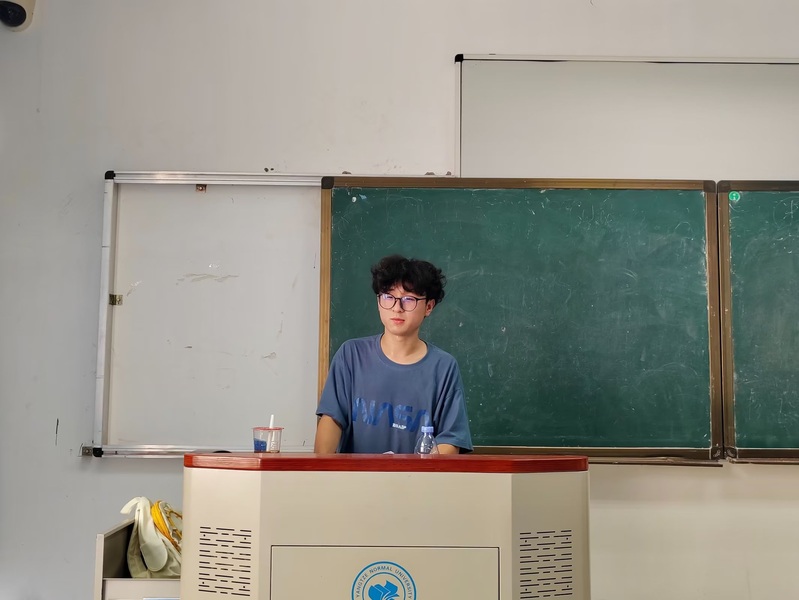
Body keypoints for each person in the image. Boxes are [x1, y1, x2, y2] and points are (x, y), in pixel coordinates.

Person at [314, 254, 473, 454]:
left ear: (429, 306)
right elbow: (331, 420)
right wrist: (322, 466)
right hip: (356, 474)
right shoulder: (351, 355)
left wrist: (413, 470)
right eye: (388, 297)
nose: (397, 308)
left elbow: (450, 441)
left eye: (409, 299)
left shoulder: (443, 367)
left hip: (418, 475)